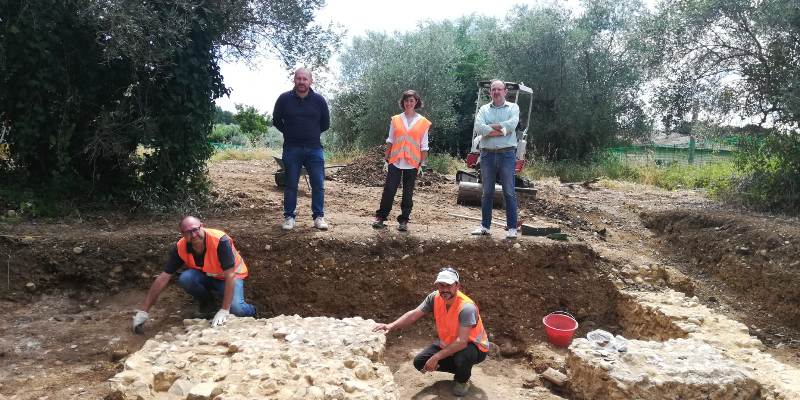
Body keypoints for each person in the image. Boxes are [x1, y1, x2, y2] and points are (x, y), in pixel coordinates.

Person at [373, 267, 489, 397]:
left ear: (457, 286)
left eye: (449, 285)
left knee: (464, 356)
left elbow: (462, 342)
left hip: (474, 347)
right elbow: (413, 315)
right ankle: (462, 369)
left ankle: (462, 380)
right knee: (419, 362)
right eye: (441, 285)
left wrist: (436, 357)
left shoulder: (466, 307)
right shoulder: (434, 297)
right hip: (449, 342)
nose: (444, 289)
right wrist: (391, 325)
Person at [132, 216, 256, 333]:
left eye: (195, 230)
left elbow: (230, 275)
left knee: (237, 309)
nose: (193, 235)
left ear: (202, 226)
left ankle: (252, 312)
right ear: (182, 234)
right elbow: (164, 276)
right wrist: (144, 310)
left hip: (230, 277)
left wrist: (224, 309)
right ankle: (209, 306)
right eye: (188, 232)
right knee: (186, 278)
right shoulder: (181, 247)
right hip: (208, 276)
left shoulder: (220, 240)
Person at [273, 67, 331, 231]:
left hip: (314, 149)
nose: (301, 82)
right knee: (291, 185)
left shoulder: (319, 100)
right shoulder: (284, 99)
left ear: (311, 81)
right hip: (291, 149)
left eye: (305, 79)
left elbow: (326, 124)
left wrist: (311, 133)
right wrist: (290, 132)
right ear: (294, 80)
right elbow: (276, 120)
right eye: (299, 78)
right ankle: (289, 217)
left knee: (318, 184)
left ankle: (318, 217)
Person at [372, 89, 431, 232]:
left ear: (416, 102)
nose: (408, 103)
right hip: (396, 160)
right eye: (406, 101)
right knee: (389, 189)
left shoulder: (423, 122)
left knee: (408, 192)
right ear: (403, 102)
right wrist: (386, 157)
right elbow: (390, 139)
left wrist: (422, 164)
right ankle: (381, 217)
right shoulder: (396, 119)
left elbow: (424, 145)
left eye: (411, 100)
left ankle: (404, 220)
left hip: (412, 162)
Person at [471, 79, 520, 239]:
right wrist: (502, 130)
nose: (496, 92)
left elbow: (511, 126)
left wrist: (489, 129)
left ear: (505, 91)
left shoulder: (513, 107)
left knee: (509, 192)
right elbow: (479, 128)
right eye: (494, 89)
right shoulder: (484, 109)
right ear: (490, 92)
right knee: (487, 192)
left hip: (507, 154)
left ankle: (512, 228)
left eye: (499, 89)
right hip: (487, 154)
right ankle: (485, 226)